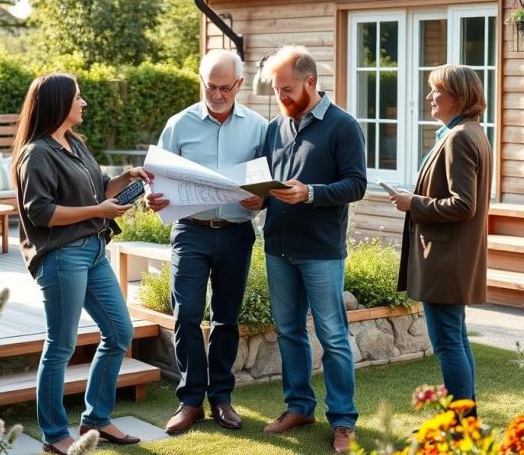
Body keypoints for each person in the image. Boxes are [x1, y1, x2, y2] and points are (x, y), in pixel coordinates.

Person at [12, 73, 151, 455]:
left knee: (120, 333)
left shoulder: (74, 142)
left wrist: (127, 177)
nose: (84, 102)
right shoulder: (36, 154)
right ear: (59, 103)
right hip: (61, 257)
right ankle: (55, 434)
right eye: (78, 97)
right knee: (60, 346)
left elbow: (98, 187)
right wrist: (99, 210)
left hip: (93, 252)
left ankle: (95, 418)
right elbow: (40, 213)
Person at [145, 49, 268, 434]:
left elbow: (267, 183)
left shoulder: (259, 127)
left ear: (239, 85)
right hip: (190, 232)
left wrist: (260, 198)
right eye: (210, 87)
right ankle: (190, 402)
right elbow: (157, 180)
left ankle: (222, 399)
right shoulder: (178, 125)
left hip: (236, 233)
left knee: (226, 319)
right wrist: (154, 198)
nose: (216, 94)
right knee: (186, 315)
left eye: (224, 88)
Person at [257, 45, 367, 454]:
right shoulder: (276, 127)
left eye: (286, 89)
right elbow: (266, 178)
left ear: (310, 82)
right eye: (276, 90)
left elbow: (357, 184)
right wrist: (257, 197)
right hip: (278, 247)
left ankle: (342, 421)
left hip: (321, 250)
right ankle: (299, 407)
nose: (281, 97)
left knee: (333, 336)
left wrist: (311, 193)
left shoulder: (343, 126)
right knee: (288, 332)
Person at [389, 64, 491, 417]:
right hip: (452, 259)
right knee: (457, 341)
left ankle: (461, 422)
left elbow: (463, 205)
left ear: (458, 98)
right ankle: (466, 416)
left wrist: (411, 203)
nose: (430, 97)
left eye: (437, 91)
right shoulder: (469, 131)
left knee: (449, 344)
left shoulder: (460, 137)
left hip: (445, 262)